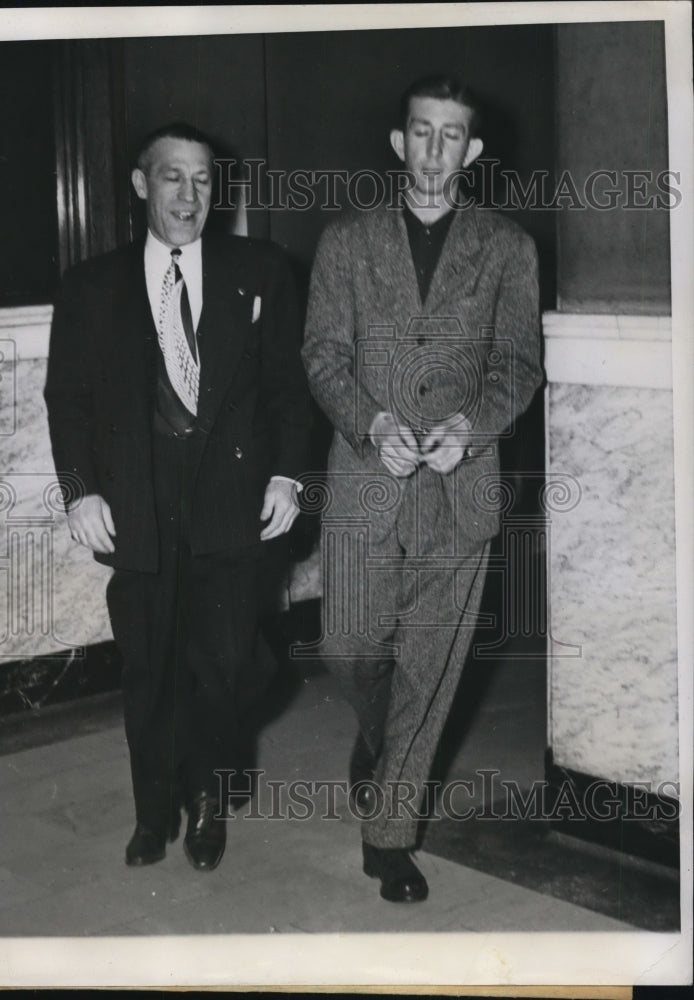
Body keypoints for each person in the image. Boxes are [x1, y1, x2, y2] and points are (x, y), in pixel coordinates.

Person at [302, 76, 543, 902]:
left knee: (431, 671)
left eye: (453, 136)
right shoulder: (346, 241)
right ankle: (378, 738)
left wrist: (470, 427)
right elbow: (323, 355)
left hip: (461, 487)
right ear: (398, 143)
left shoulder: (509, 247)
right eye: (421, 132)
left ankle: (390, 836)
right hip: (365, 482)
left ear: (472, 152)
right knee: (348, 647)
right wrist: (371, 422)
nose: (435, 150)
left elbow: (520, 366)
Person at [45, 122, 311, 872]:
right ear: (141, 185)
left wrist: (290, 475)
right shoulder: (91, 287)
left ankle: (212, 803)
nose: (190, 195)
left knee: (227, 670)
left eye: (202, 180)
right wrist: (79, 493)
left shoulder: (259, 270)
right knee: (149, 669)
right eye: (172, 178)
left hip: (233, 510)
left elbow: (293, 391)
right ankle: (153, 812)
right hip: (138, 513)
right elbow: (66, 399)